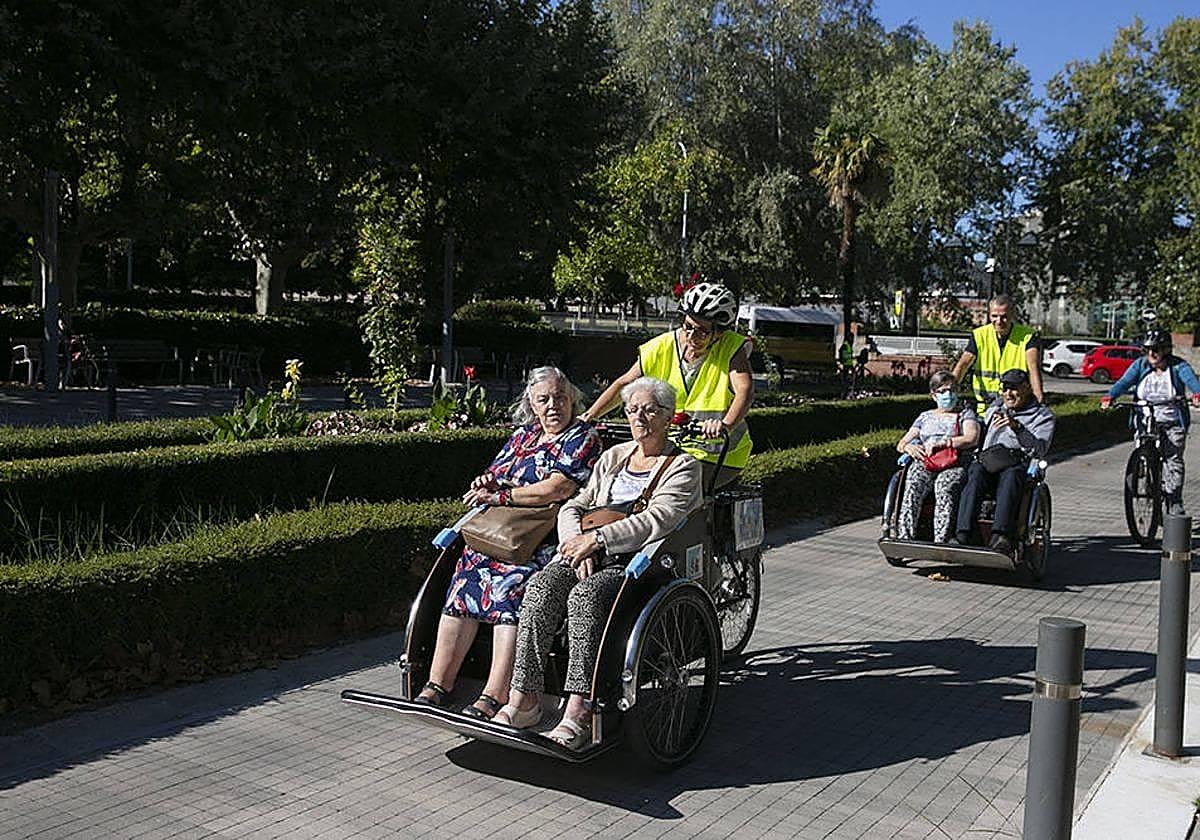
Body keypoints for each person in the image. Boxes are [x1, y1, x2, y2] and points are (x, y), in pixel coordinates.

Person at [495, 377, 703, 748]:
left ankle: (579, 709)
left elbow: (658, 519)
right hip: (584, 548)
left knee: (585, 598)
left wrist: (598, 540)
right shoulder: (614, 457)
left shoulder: (683, 466)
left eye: (649, 410)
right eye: (632, 410)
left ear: (668, 416)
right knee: (540, 588)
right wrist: (573, 544)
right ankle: (524, 698)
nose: (639, 418)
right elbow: (575, 504)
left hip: (636, 559)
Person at [415, 367, 601, 719]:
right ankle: (438, 684)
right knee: (464, 582)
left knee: (509, 588)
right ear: (532, 403)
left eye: (560, 398)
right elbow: (497, 474)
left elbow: (557, 488)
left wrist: (502, 497)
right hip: (500, 532)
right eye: (544, 400)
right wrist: (486, 483)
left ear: (572, 400)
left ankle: (494, 693)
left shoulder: (582, 437)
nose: (553, 406)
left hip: (541, 537)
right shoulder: (524, 435)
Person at [581, 282, 752, 490]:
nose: (691, 336)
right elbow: (624, 383)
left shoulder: (732, 347)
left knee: (667, 488)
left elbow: (744, 390)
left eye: (702, 332)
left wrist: (725, 425)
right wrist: (589, 417)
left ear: (719, 333)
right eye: (688, 326)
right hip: (669, 448)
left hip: (719, 457)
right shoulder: (662, 346)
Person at [950, 368, 1055, 554]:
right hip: (989, 461)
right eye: (1005, 389)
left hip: (1017, 464)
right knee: (974, 472)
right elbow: (979, 431)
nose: (1008, 394)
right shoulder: (996, 408)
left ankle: (1001, 536)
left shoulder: (1042, 416)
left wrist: (1017, 428)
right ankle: (963, 534)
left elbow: (1040, 449)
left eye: (1014, 389)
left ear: (1027, 388)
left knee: (1011, 475)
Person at [1101, 329, 1200, 515]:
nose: (1151, 354)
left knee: (1173, 460)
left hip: (1171, 420)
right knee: (1143, 449)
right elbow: (1124, 382)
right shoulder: (1140, 365)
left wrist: (1197, 393)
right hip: (1145, 418)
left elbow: (1191, 380)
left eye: (1156, 349)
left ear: (1166, 350)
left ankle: (1175, 500)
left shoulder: (1178, 366)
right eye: (1147, 350)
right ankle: (1143, 464)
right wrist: (1110, 396)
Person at [895, 371, 981, 542]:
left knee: (943, 486)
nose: (948, 394)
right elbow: (902, 443)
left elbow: (971, 438)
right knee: (913, 484)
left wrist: (946, 443)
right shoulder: (925, 417)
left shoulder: (965, 414)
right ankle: (905, 536)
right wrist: (909, 447)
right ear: (934, 395)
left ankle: (941, 539)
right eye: (942, 391)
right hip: (927, 461)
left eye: (952, 390)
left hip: (954, 462)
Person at [951, 294, 1044, 414]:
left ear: (1012, 315)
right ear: (989, 315)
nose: (999, 321)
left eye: (1004, 317)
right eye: (994, 316)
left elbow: (1033, 368)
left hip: (1016, 409)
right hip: (985, 409)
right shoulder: (979, 335)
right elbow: (963, 364)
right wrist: (949, 391)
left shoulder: (1028, 336)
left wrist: (1038, 400)